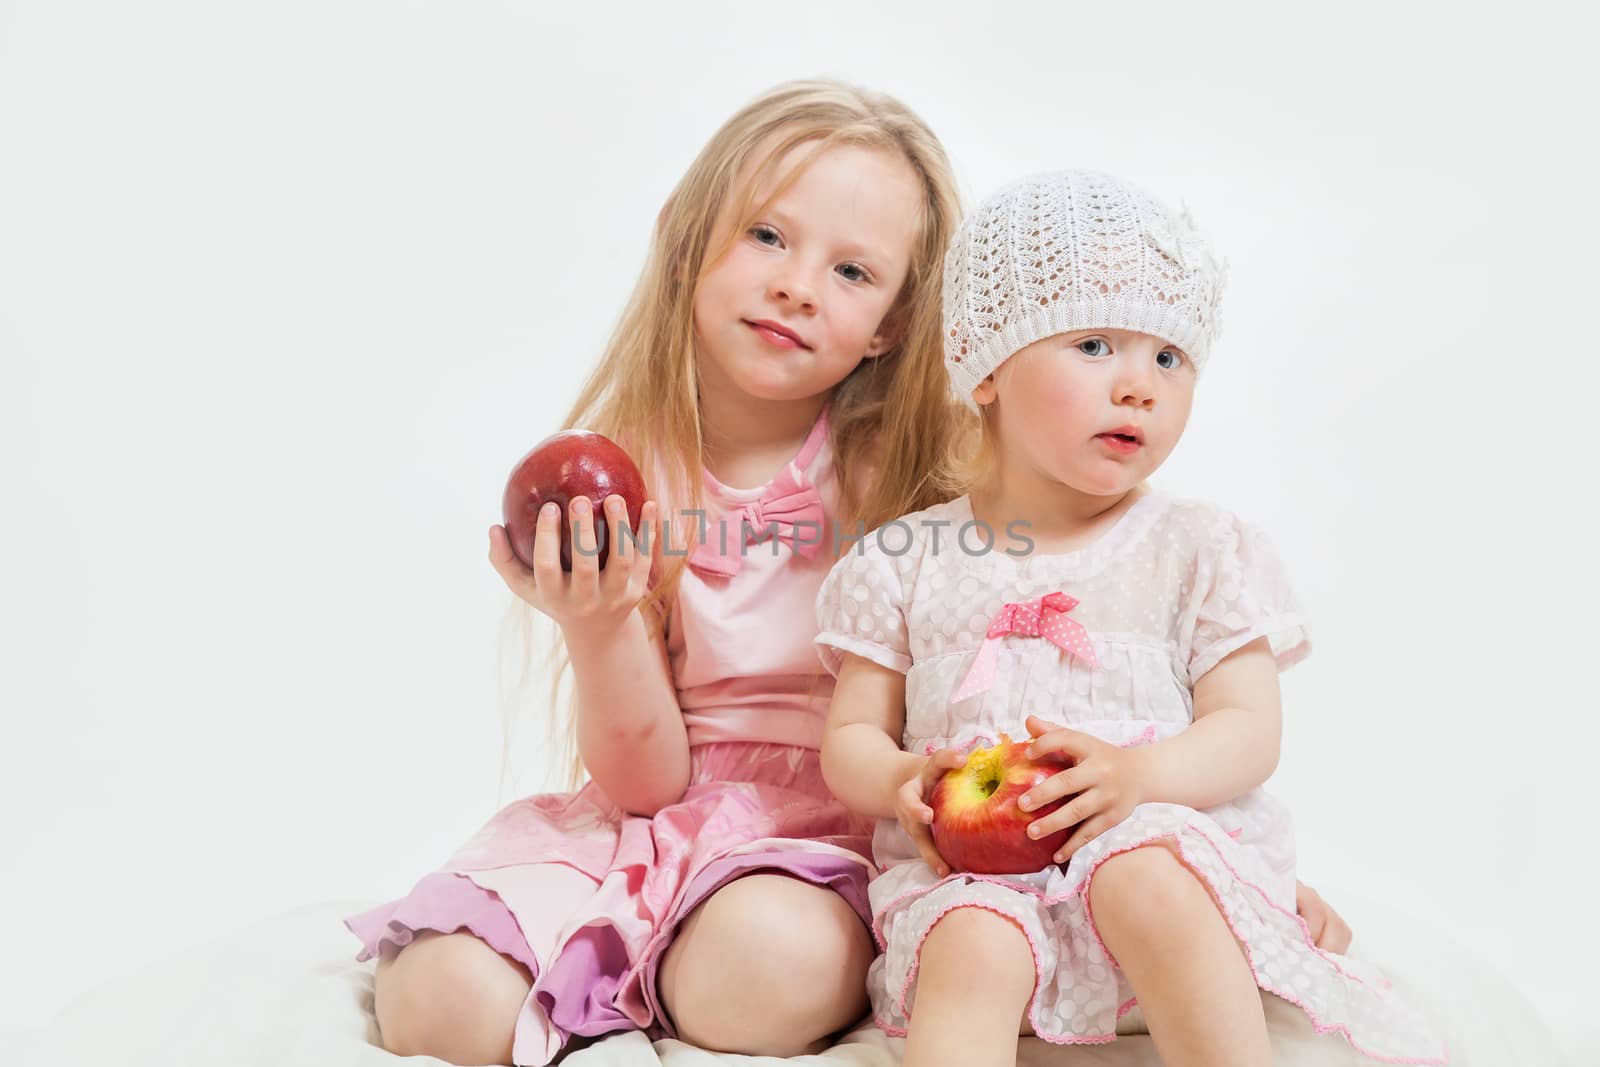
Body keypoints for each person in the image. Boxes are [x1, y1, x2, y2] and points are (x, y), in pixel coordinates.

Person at [345, 83, 1357, 1067]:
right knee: (434, 1000)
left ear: (897, 324)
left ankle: (643, 981)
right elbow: (646, 783)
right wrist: (598, 623)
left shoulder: (920, 487)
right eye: (768, 237)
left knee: (758, 968)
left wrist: (1234, 876)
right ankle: (608, 974)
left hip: (824, 833)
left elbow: (1087, 656)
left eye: (853, 272)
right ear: (684, 236)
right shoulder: (631, 471)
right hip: (660, 807)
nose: (797, 285)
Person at [815, 170, 1448, 1067]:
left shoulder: (1196, 546)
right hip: (981, 873)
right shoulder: (904, 559)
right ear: (985, 363)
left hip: (1151, 859)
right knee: (970, 939)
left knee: (1143, 870)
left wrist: (1136, 775)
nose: (1139, 386)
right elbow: (850, 736)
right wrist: (907, 780)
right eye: (1096, 342)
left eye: (1168, 357)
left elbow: (1248, 728)